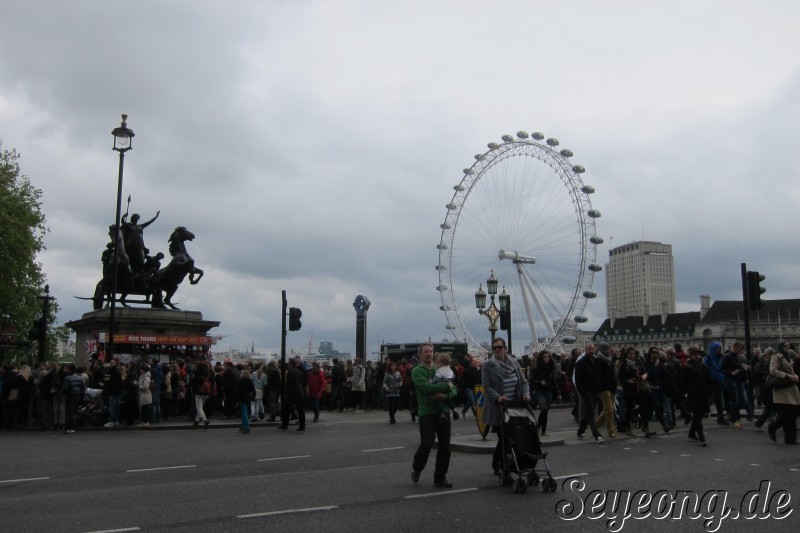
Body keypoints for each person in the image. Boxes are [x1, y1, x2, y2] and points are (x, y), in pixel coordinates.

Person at [482, 337, 530, 476]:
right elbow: (487, 386)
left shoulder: (514, 363)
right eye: (494, 348)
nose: (497, 350)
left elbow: (523, 382)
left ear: (505, 349)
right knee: (504, 438)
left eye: (499, 347)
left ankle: (503, 463)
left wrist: (526, 394)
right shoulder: (488, 365)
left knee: (512, 437)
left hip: (515, 407)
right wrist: (498, 397)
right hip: (499, 408)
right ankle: (501, 464)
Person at [411, 343, 457, 488]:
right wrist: (446, 387)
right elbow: (426, 388)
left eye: (431, 351)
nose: (429, 354)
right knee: (427, 443)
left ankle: (440, 477)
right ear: (420, 354)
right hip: (427, 412)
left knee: (445, 446)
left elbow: (454, 390)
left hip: (443, 411)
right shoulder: (417, 371)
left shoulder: (441, 369)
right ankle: (417, 468)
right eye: (425, 351)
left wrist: (444, 396)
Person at [768, 346, 800, 444]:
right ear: (781, 347)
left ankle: (790, 439)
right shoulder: (775, 357)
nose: (788, 347)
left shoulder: (788, 358)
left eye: (788, 345)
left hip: (791, 387)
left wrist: (794, 375)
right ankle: (773, 426)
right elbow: (773, 371)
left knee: (793, 414)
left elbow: (792, 370)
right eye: (785, 345)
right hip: (782, 387)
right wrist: (788, 376)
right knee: (789, 413)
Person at [680, 346, 711, 446]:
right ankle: (702, 438)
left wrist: (709, 390)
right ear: (690, 356)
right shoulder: (687, 367)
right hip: (693, 395)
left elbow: (708, 379)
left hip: (703, 394)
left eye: (698, 354)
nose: (696, 356)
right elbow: (683, 382)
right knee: (697, 417)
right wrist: (684, 393)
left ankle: (692, 433)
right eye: (694, 355)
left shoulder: (703, 366)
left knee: (700, 415)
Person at [574, 343, 604, 443]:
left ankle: (580, 430)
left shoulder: (597, 361)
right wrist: (581, 391)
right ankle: (596, 435)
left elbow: (599, 375)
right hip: (585, 391)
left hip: (595, 390)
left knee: (589, 412)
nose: (591, 351)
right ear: (585, 350)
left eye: (592, 349)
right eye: (589, 349)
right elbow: (578, 379)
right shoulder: (580, 363)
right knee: (591, 411)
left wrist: (599, 387)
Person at [529, 351, 560, 436]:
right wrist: (540, 382)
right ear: (541, 358)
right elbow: (531, 380)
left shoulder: (551, 368)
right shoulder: (536, 368)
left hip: (549, 390)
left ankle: (543, 430)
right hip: (539, 391)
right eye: (544, 357)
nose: (546, 358)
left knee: (545, 411)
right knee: (543, 409)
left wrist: (558, 393)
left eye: (547, 357)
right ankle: (539, 428)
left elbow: (554, 381)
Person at [593, 342, 617, 439]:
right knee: (610, 410)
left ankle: (594, 426)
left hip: (612, 387)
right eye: (606, 349)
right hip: (604, 389)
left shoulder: (610, 360)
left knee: (607, 410)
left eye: (609, 349)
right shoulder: (598, 360)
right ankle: (610, 431)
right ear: (602, 350)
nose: (609, 351)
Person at [279, 358, 306, 431]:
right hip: (300, 393)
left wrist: (286, 392)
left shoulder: (290, 372)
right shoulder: (299, 372)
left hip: (292, 393)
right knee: (301, 411)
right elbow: (302, 383)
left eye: (288, 363)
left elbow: (289, 384)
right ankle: (302, 426)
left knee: (286, 410)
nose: (287, 364)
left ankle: (285, 424)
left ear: (290, 364)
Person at [431, 353, 459, 420]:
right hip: (449, 387)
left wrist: (430, 382)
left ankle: (442, 413)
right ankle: (454, 410)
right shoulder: (450, 369)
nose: (436, 365)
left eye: (437, 363)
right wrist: (450, 382)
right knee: (449, 400)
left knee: (439, 401)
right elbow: (453, 377)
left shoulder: (440, 371)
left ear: (440, 363)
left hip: (441, 388)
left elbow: (436, 379)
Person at [62, 364, 86, 434]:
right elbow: (82, 388)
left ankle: (68, 427)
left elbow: (65, 388)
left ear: (69, 369)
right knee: (74, 412)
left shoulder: (67, 378)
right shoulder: (79, 378)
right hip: (77, 396)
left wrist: (62, 392)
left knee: (69, 413)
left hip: (69, 396)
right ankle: (73, 426)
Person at [191, 361, 212, 429]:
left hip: (199, 392)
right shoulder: (208, 373)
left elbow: (193, 382)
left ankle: (204, 420)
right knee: (200, 407)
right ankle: (196, 421)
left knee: (199, 407)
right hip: (207, 392)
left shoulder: (197, 374)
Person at [104, 359, 122, 427]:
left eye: (112, 363)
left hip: (113, 392)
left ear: (116, 363)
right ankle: (116, 420)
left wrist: (107, 384)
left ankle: (111, 421)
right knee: (116, 407)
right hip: (117, 392)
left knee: (112, 407)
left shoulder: (113, 372)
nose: (110, 364)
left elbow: (110, 381)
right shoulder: (118, 371)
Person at [236, 369, 256, 434]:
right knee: (245, 412)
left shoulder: (240, 381)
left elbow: (238, 391)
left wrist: (237, 399)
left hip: (242, 398)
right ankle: (243, 426)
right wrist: (252, 397)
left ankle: (246, 427)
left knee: (244, 413)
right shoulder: (250, 381)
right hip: (248, 398)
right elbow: (254, 391)